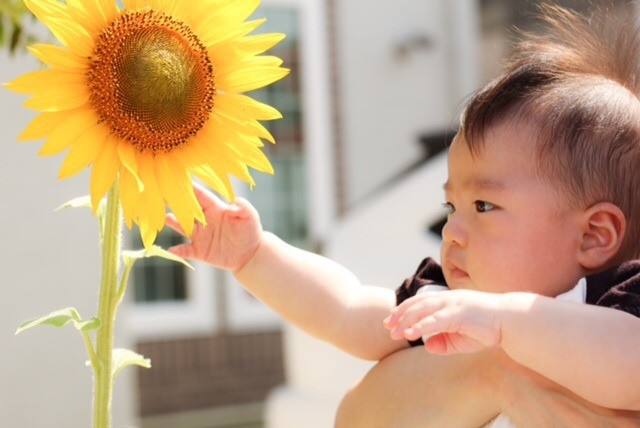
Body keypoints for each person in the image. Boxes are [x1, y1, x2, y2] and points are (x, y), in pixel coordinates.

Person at [165, 3, 640, 425]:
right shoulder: (451, 303)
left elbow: (627, 365)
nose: (453, 230)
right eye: (451, 207)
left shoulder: (616, 302)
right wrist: (255, 257)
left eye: (484, 206)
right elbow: (346, 309)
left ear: (595, 235)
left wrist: (502, 321)